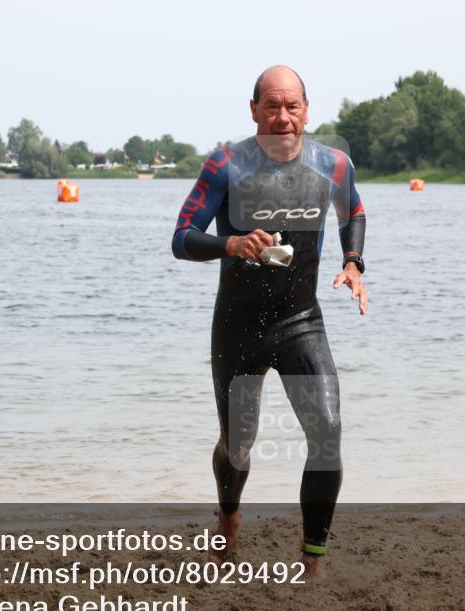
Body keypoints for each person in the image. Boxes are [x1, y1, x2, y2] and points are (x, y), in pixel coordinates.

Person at [171, 65, 368, 576]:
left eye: (293, 106)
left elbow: (355, 213)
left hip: (301, 319)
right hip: (237, 327)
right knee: (238, 444)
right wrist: (231, 243)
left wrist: (352, 261)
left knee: (327, 430)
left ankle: (313, 560)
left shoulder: (335, 165)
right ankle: (230, 514)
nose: (283, 117)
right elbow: (182, 237)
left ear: (307, 110)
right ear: (254, 109)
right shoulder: (225, 166)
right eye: (272, 106)